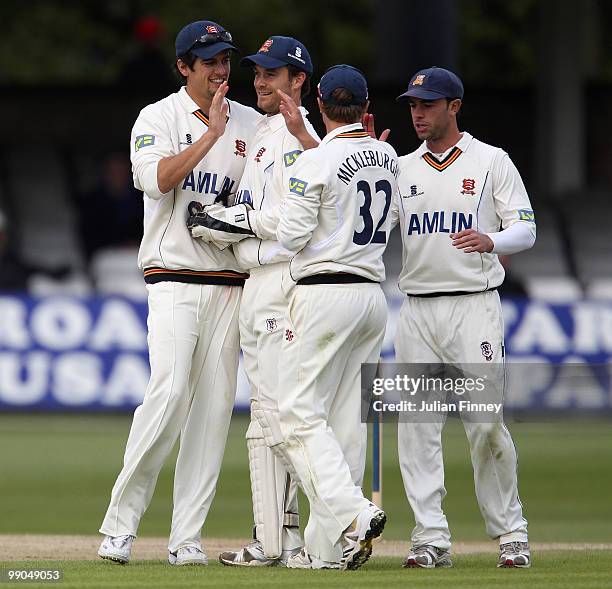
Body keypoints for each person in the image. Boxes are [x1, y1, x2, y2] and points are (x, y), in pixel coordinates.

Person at [97, 20, 261, 567]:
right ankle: (119, 528)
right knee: (168, 396)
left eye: (225, 60)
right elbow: (158, 180)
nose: (220, 70)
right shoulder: (158, 117)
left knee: (213, 413)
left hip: (231, 285)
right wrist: (210, 136)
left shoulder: (254, 124)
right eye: (208, 60)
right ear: (183, 67)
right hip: (173, 278)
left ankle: (186, 537)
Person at [394, 67, 536, 569]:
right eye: (413, 105)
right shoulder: (401, 168)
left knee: (486, 424)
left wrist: (491, 240)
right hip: (417, 311)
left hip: (474, 306)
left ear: (454, 106)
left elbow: (526, 228)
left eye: (428, 104)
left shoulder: (491, 160)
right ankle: (430, 537)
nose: (418, 113)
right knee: (416, 427)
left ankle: (511, 534)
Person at [210, 36, 321, 568]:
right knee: (267, 411)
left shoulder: (297, 138)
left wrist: (232, 226)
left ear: (298, 80)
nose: (260, 81)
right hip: (260, 279)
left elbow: (295, 224)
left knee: (276, 413)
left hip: (281, 280)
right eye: (257, 72)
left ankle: (287, 541)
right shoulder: (266, 130)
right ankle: (281, 539)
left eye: (273, 74)